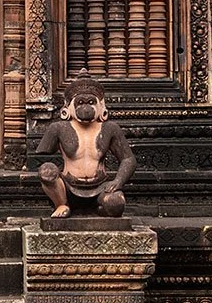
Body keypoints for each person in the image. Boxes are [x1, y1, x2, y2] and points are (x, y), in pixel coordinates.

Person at [34, 73, 136, 218]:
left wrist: (118, 181)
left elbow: (128, 159)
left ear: (101, 106)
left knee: (116, 204)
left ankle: (98, 208)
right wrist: (52, 177)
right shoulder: (58, 128)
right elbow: (39, 158)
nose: (86, 108)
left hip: (100, 186)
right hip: (67, 186)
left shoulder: (110, 129)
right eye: (80, 103)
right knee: (47, 170)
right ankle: (62, 204)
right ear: (68, 107)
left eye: (91, 102)